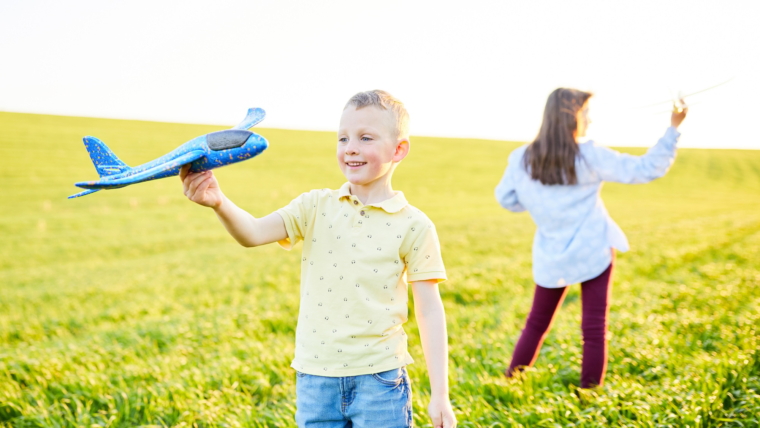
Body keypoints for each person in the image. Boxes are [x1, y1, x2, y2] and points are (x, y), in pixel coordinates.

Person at [180, 90, 456, 428]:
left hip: (380, 381)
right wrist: (218, 201)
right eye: (343, 138)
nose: (350, 147)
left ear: (399, 149)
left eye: (365, 137)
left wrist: (439, 394)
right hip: (315, 379)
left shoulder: (414, 225)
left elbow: (429, 310)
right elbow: (252, 233)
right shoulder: (315, 206)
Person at [495, 88, 688, 389]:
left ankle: (510, 380)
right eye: (586, 112)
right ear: (571, 116)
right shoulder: (589, 154)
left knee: (536, 323)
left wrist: (538, 203)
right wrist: (674, 127)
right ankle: (589, 394)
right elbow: (646, 168)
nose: (590, 119)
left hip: (551, 256)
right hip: (594, 251)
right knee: (594, 327)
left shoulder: (522, 158)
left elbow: (507, 198)